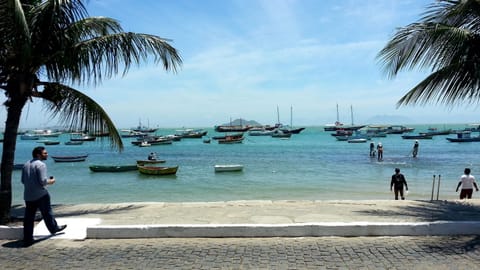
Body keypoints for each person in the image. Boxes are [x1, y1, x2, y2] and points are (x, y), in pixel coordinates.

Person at [22, 146, 67, 247]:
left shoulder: (26, 164)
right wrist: (51, 181)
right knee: (47, 212)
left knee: (29, 218)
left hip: (28, 195)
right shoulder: (41, 165)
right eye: (45, 153)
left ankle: (27, 239)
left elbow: (23, 181)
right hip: (40, 194)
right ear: (39, 155)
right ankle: (54, 228)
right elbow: (43, 181)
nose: (47, 155)